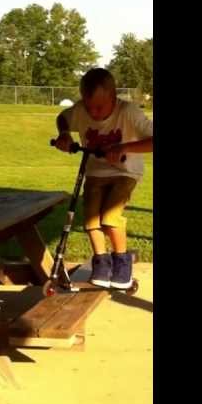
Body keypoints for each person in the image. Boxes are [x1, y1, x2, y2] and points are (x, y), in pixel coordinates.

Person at [53, 68, 153, 288]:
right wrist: (64, 134)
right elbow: (63, 117)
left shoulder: (128, 112)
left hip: (125, 172)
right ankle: (101, 265)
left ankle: (122, 266)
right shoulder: (81, 111)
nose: (94, 113)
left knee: (110, 217)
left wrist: (124, 147)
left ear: (114, 96)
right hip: (95, 171)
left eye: (100, 107)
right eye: (90, 107)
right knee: (90, 221)